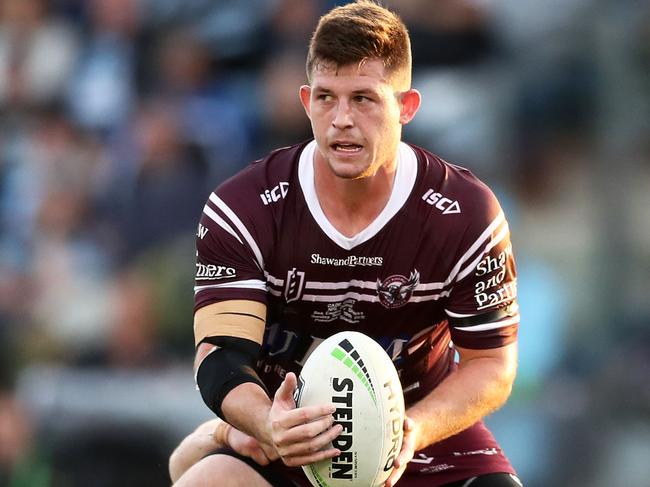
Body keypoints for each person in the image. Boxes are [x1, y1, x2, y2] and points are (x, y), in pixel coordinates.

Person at [173, 1, 522, 486]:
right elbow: (219, 357)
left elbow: (492, 365)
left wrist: (415, 429)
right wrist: (267, 422)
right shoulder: (244, 209)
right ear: (304, 101)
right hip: (294, 432)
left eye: (363, 98)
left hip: (419, 431)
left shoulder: (464, 214)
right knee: (205, 478)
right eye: (326, 97)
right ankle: (219, 439)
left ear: (406, 106)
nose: (341, 118)